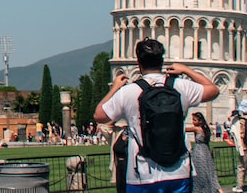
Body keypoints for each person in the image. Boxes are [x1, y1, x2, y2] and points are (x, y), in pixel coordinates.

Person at [94, 38, 219, 193]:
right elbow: (213, 90)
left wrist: (114, 88)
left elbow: (99, 115)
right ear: (162, 61)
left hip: (142, 173)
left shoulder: (128, 92)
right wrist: (186, 69)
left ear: (139, 63)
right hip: (179, 171)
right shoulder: (180, 87)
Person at [186, 112, 223, 193]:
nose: (193, 122)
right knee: (209, 170)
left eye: (194, 120)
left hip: (199, 151)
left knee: (199, 172)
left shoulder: (196, 129)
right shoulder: (205, 129)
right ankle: (215, 188)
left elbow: (185, 129)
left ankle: (200, 189)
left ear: (200, 121)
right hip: (206, 150)